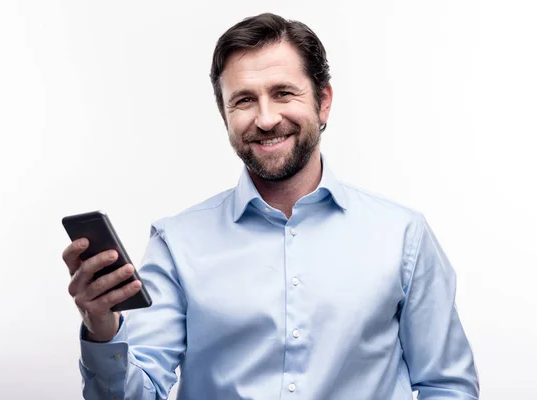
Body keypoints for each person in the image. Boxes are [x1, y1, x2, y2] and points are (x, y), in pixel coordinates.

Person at [62, 13, 479, 400]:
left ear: (323, 101)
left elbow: (447, 385)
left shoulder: (402, 235)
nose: (265, 118)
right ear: (225, 115)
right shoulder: (177, 242)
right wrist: (103, 332)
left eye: (283, 93)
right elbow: (138, 392)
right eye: (243, 100)